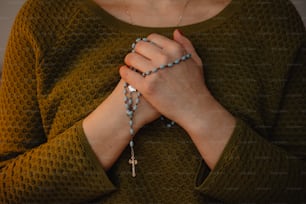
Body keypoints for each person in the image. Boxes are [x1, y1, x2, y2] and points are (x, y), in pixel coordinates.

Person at [0, 0, 305, 203]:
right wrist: (127, 106)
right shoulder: (44, 17)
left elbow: (295, 188)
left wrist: (196, 108)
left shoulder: (271, 18)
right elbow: (7, 188)